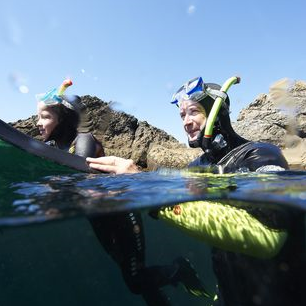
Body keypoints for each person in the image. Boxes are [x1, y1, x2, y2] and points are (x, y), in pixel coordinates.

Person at [86, 76, 306, 306]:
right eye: (182, 115)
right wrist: (131, 184)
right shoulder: (196, 169)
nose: (186, 122)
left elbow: (269, 237)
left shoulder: (261, 155)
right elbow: (170, 187)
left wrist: (156, 198)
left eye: (193, 112)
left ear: (217, 113)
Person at [36, 80, 209, 306]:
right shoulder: (56, 148)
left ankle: (179, 269)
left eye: (45, 117)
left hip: (120, 216)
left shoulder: (84, 140)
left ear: (62, 119)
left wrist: (79, 110)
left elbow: (78, 175)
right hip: (99, 220)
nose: (38, 123)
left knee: (135, 281)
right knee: (136, 277)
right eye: (38, 116)